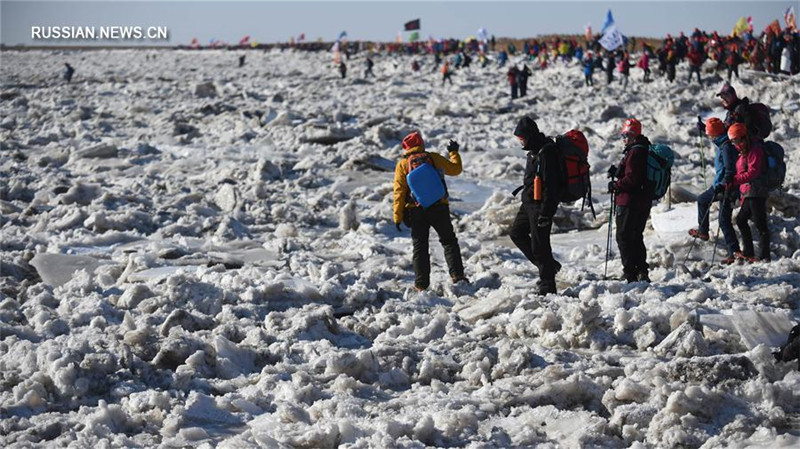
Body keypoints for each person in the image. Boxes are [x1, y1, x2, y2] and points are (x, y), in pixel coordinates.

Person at [392, 131, 467, 291]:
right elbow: (456, 169)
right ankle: (458, 276)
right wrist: (453, 152)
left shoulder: (403, 165)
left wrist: (397, 216)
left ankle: (421, 285)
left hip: (416, 210)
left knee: (420, 247)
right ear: (421, 144)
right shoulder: (433, 158)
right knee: (449, 241)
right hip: (439, 207)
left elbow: (399, 192)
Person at [508, 116, 564, 295]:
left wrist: (546, 213)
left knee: (540, 246)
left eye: (522, 138)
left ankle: (548, 286)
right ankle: (549, 266)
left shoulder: (547, 153)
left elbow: (552, 186)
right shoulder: (534, 151)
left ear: (530, 136)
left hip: (541, 207)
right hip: (529, 203)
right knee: (517, 233)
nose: (521, 142)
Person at [688, 118, 740, 263]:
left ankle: (705, 233)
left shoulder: (726, 147)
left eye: (710, 135)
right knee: (723, 220)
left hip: (725, 187)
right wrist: (704, 127)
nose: (709, 138)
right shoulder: (723, 142)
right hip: (723, 185)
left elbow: (730, 169)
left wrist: (724, 184)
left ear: (715, 135)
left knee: (705, 203)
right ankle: (733, 251)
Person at [608, 119, 652, 283]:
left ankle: (630, 274)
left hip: (629, 201)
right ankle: (641, 271)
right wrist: (619, 172)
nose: (624, 138)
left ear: (634, 135)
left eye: (627, 135)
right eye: (623, 135)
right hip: (642, 201)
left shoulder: (635, 152)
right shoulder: (643, 149)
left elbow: (632, 179)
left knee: (623, 237)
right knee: (635, 236)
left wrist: (616, 184)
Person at [727, 123, 771, 262]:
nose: (733, 143)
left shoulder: (755, 151)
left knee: (760, 224)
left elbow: (753, 172)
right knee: (741, 220)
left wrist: (734, 180)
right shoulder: (744, 150)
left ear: (742, 137)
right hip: (748, 192)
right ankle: (749, 252)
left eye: (735, 140)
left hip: (756, 191)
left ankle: (764, 255)